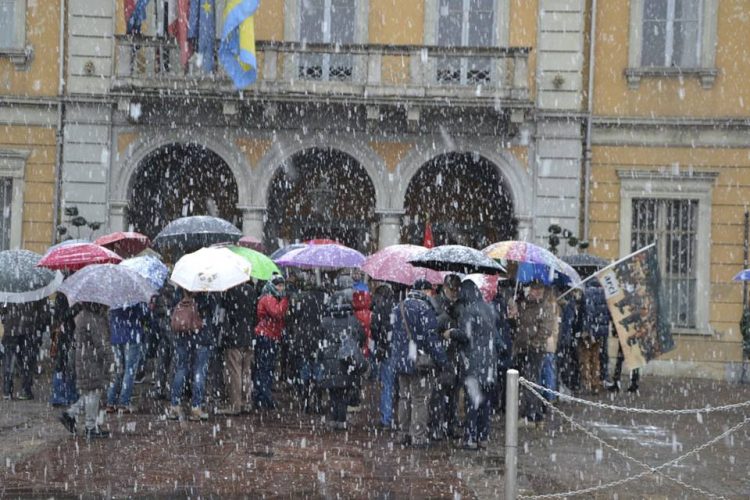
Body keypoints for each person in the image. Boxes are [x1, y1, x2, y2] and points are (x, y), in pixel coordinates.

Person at [447, 279, 504, 449]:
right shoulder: (489, 308)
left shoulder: (468, 310)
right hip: (489, 363)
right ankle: (483, 437)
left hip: (473, 363)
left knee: (473, 402)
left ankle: (470, 438)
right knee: (485, 403)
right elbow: (495, 335)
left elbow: (465, 335)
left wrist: (451, 333)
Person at [390, 278, 447, 447]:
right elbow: (431, 339)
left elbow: (392, 334)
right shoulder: (424, 309)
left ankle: (403, 432)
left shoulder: (398, 307)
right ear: (425, 291)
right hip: (418, 362)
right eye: (430, 291)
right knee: (419, 399)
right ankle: (418, 436)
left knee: (403, 397)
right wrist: (441, 359)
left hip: (400, 361)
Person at [58, 302, 113, 439]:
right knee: (94, 392)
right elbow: (101, 344)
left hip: (85, 359)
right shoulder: (94, 319)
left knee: (91, 392)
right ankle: (90, 427)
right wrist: (110, 359)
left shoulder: (84, 316)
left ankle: (71, 413)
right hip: (92, 361)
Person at [317, 283, 366, 430]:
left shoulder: (325, 321)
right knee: (344, 391)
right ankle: (342, 421)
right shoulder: (352, 320)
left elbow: (320, 340)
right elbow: (361, 337)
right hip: (346, 360)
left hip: (329, 361)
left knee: (333, 392)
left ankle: (334, 419)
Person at [167, 290, 219, 421]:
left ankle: (174, 405)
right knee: (199, 371)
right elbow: (213, 312)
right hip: (202, 339)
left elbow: (172, 312)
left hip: (182, 338)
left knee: (181, 369)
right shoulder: (206, 295)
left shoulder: (179, 293)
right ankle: (196, 407)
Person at [514, 280, 558, 427]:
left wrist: (533, 343)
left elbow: (546, 329)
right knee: (526, 382)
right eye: (534, 289)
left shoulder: (545, 306)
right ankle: (532, 414)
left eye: (539, 289)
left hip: (534, 350)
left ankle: (533, 416)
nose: (536, 292)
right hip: (521, 348)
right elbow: (519, 323)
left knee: (532, 382)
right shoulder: (525, 304)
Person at [287, 273, 327, 413]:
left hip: (303, 338)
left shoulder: (301, 298)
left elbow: (293, 316)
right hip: (319, 339)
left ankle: (305, 402)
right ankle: (317, 402)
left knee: (304, 371)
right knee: (317, 371)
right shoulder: (325, 298)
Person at [429, 273, 462, 440]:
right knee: (439, 394)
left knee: (453, 395)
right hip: (442, 356)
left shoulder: (459, 306)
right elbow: (433, 328)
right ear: (444, 288)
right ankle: (437, 427)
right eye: (452, 289)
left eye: (456, 290)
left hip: (454, 355)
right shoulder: (436, 303)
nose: (454, 293)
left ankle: (450, 425)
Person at [218, 281, 258, 415]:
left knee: (235, 371)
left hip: (234, 337)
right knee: (246, 371)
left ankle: (235, 405)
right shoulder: (251, 291)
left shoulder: (230, 292)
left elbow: (224, 315)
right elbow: (254, 314)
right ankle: (246, 402)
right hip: (248, 335)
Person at [2, 299, 50, 400]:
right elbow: (44, 312)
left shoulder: (9, 287)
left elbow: (3, 309)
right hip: (30, 328)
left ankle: (7, 390)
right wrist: (40, 326)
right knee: (27, 361)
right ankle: (25, 389)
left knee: (10, 360)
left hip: (12, 328)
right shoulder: (37, 288)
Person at [253, 275, 289, 410]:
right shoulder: (269, 298)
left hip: (269, 336)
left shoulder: (270, 297)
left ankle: (263, 396)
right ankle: (263, 397)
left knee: (266, 368)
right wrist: (285, 300)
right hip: (267, 336)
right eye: (279, 286)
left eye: (282, 286)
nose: (281, 288)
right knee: (265, 368)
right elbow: (277, 312)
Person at [106, 303, 147, 413]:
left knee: (118, 369)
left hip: (116, 336)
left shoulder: (114, 296)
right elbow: (144, 314)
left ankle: (110, 401)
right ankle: (123, 403)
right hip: (132, 336)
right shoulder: (136, 297)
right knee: (129, 371)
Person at [371, 282, 397, 428]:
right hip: (399, 351)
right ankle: (398, 417)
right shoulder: (399, 307)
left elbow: (375, 328)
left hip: (386, 350)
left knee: (387, 384)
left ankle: (386, 418)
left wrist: (380, 344)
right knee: (399, 387)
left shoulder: (380, 309)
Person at [579, 280, 611, 394]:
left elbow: (588, 313)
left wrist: (587, 330)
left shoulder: (587, 292)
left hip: (590, 331)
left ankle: (587, 383)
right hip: (601, 331)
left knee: (586, 358)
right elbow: (607, 313)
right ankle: (596, 383)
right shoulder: (605, 292)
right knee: (596, 358)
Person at [49, 291, 79, 406]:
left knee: (67, 365)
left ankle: (66, 394)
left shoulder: (63, 295)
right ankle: (61, 395)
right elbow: (62, 316)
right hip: (66, 334)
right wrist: (76, 308)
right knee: (63, 364)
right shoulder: (63, 296)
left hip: (69, 334)